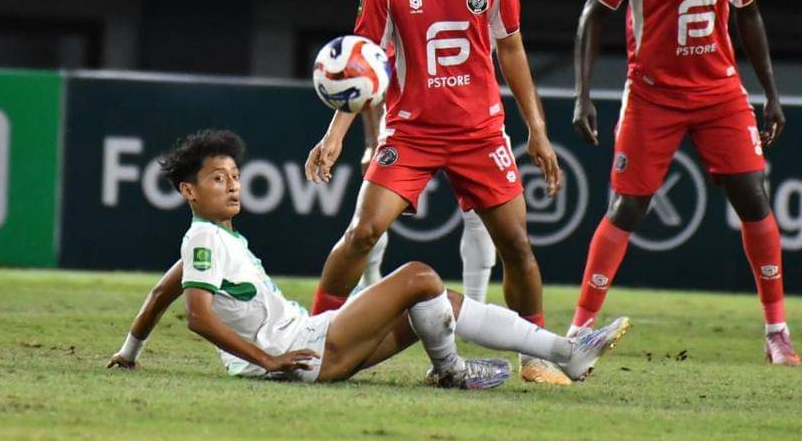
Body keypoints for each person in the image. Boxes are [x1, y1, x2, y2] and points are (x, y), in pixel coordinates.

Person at [304, 0, 573, 384]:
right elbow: (363, 67)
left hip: (481, 134)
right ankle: (314, 332)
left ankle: (535, 359)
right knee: (362, 232)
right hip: (411, 134)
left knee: (516, 244)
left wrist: (536, 130)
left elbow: (512, 52)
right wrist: (334, 135)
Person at [106, 130, 630, 387]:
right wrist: (266, 360)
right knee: (418, 275)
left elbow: (160, 294)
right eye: (218, 179)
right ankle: (467, 365)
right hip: (298, 354)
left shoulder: (212, 241)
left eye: (235, 176)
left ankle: (554, 353)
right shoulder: (203, 240)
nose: (233, 186)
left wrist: (130, 351)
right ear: (188, 191)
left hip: (308, 343)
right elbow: (196, 316)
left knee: (435, 300)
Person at [568, 0, 799, 365]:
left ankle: (777, 332)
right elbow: (593, 14)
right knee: (628, 206)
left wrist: (771, 93)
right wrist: (584, 95)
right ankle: (578, 328)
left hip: (719, 93)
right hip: (653, 94)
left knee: (754, 199)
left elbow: (750, 16)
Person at [355, 106, 498, 304]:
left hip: (470, 124)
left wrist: (536, 129)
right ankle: (368, 282)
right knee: (371, 217)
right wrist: (372, 141)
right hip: (409, 126)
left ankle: (475, 307)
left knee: (482, 218)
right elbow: (374, 84)